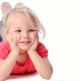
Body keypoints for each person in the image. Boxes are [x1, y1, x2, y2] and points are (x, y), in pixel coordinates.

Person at [0, 3, 53, 81]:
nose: (25, 36)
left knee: (18, 22)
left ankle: (18, 11)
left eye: (31, 30)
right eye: (18, 30)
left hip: (12, 32)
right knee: (3, 27)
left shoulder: (39, 48)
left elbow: (47, 75)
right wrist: (14, 52)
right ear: (7, 34)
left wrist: (32, 51)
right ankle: (6, 14)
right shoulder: (4, 48)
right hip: (4, 35)